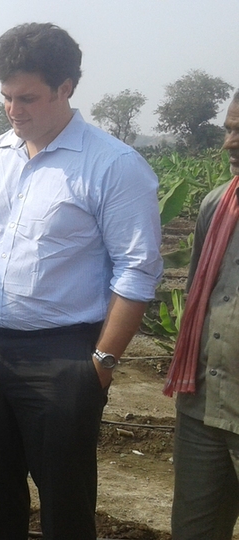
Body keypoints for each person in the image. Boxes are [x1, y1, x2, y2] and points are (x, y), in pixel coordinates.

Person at [0, 23, 163, 540]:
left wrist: (100, 363)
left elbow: (137, 272)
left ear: (67, 88)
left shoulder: (114, 165)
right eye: (7, 97)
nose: (14, 110)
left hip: (65, 356)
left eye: (28, 97)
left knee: (66, 504)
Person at [166, 90, 239, 539]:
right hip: (205, 408)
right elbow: (199, 292)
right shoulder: (217, 205)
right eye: (230, 130)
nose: (230, 144)